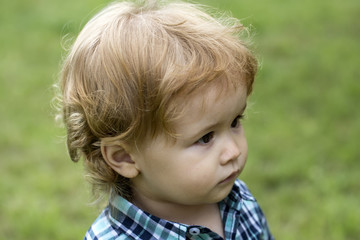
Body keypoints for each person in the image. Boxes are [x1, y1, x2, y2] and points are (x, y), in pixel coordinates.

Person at [57, 0, 273, 239]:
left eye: (234, 122)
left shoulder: (239, 200)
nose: (233, 151)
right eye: (205, 138)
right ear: (124, 156)